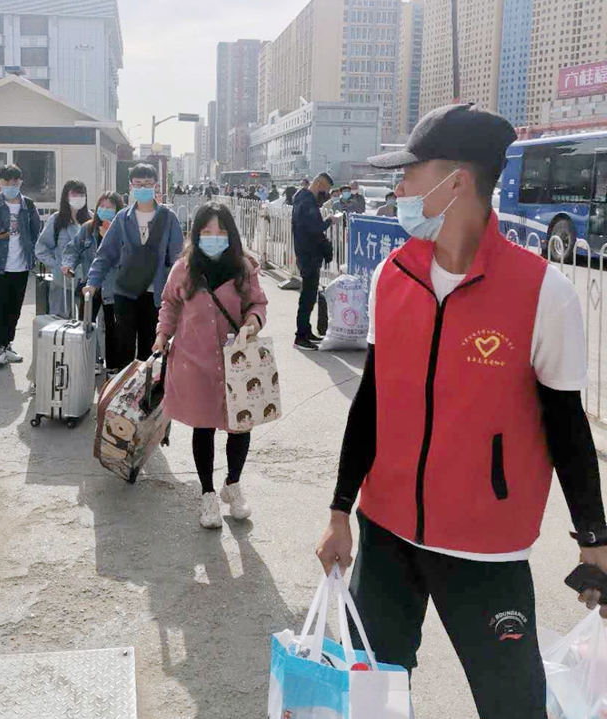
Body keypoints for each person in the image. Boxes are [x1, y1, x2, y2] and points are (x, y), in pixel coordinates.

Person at [315, 103, 607, 719]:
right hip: (386, 534)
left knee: (513, 706)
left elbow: (568, 427)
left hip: (486, 550)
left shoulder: (543, 293)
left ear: (457, 182)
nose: (398, 189)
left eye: (409, 173)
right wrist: (340, 511)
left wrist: (594, 540)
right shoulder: (392, 275)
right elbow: (371, 403)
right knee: (373, 700)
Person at [153, 202, 268, 529]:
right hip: (195, 362)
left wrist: (252, 323)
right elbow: (170, 304)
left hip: (237, 360)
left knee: (240, 425)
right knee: (203, 427)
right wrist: (162, 335)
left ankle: (233, 484)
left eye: (220, 231)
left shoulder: (243, 268)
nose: (214, 237)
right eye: (207, 232)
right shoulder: (184, 269)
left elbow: (257, 304)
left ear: (230, 234)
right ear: (197, 234)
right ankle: (207, 494)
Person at [84, 163, 185, 369]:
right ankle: (124, 387)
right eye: (138, 184)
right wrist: (92, 283)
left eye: (147, 183)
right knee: (124, 347)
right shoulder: (123, 218)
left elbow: (179, 259)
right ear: (131, 187)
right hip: (126, 292)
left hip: (156, 294)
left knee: (151, 349)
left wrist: (181, 292)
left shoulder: (168, 218)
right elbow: (105, 254)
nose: (143, 188)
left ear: (156, 186)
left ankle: (146, 388)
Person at [0, 164, 42, 366]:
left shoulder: (29, 205)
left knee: (14, 309)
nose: (11, 185)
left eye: (15, 181)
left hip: (20, 266)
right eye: (7, 181)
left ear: (20, 182)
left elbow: (36, 231)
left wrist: (32, 252)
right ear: (0, 183)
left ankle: (8, 344)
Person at [62, 192, 124, 373]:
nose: (105, 210)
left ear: (118, 210)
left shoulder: (123, 230)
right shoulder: (88, 228)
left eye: (110, 207)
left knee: (113, 328)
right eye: (102, 206)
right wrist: (68, 265)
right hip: (90, 285)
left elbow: (124, 259)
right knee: (86, 324)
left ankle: (112, 366)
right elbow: (73, 249)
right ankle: (90, 361)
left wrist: (109, 237)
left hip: (113, 287)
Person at [292, 173, 336, 351]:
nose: (325, 195)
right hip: (308, 254)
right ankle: (300, 337)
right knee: (307, 297)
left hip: (307, 253)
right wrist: (330, 220)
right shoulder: (307, 202)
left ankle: (306, 331)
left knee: (309, 297)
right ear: (319, 184)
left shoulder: (303, 200)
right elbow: (315, 228)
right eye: (325, 190)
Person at [35, 180, 91, 318]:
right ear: (66, 196)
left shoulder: (91, 218)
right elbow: (41, 248)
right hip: (62, 281)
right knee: (60, 320)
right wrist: (56, 266)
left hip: (88, 281)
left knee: (87, 321)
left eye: (82, 194)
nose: (78, 198)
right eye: (74, 194)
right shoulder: (57, 219)